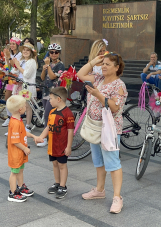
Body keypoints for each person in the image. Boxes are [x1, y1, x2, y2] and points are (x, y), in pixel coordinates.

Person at [77, 52, 127, 214]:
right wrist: (93, 61)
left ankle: (117, 197)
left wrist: (98, 94)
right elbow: (80, 74)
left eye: (107, 64)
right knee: (98, 160)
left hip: (109, 129)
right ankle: (99, 190)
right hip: (94, 126)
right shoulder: (98, 79)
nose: (103, 66)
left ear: (117, 67)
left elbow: (115, 107)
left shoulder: (119, 85)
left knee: (112, 162)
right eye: (103, 63)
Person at [33, 87, 74, 199]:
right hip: (52, 145)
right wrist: (41, 137)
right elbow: (48, 127)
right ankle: (57, 183)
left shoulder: (68, 113)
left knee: (62, 165)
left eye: (51, 98)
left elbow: (71, 131)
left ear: (59, 99)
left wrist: (69, 147)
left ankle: (63, 186)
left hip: (62, 146)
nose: (49, 101)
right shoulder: (52, 112)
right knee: (55, 164)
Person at [6, 95, 43, 202]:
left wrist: (34, 136)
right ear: (19, 109)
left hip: (20, 152)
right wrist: (25, 149)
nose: (26, 107)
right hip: (16, 153)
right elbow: (15, 141)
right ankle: (13, 193)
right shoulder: (15, 123)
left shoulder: (17, 120)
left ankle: (21, 186)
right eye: (24, 105)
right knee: (14, 172)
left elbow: (23, 132)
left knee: (20, 170)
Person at [39, 43, 65, 147]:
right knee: (48, 115)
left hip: (54, 93)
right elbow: (42, 77)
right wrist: (44, 68)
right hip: (46, 91)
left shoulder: (60, 65)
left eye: (56, 52)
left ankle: (45, 138)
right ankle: (51, 136)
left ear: (59, 53)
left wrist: (48, 66)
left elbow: (53, 76)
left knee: (47, 115)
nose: (53, 54)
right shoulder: (48, 64)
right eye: (51, 52)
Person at [11, 42, 37, 132]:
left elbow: (26, 74)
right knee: (19, 106)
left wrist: (18, 66)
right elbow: (15, 72)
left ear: (31, 52)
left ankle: (28, 126)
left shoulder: (32, 62)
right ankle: (18, 124)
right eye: (24, 50)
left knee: (27, 106)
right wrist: (15, 65)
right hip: (20, 86)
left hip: (28, 87)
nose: (25, 52)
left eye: (27, 50)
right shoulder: (22, 61)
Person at [2, 37, 23, 127]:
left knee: (15, 99)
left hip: (17, 78)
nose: (12, 46)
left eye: (14, 44)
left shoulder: (20, 55)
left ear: (17, 45)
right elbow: (8, 66)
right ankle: (8, 117)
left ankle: (15, 118)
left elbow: (15, 66)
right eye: (11, 44)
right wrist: (7, 58)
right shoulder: (9, 53)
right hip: (10, 77)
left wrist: (9, 57)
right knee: (7, 98)